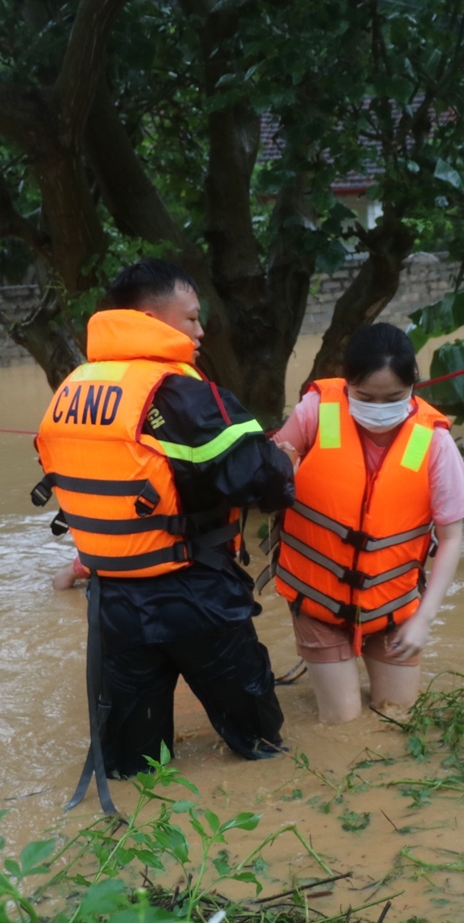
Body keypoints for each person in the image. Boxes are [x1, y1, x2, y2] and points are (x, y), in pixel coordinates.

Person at [33, 259, 294, 793]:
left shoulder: (73, 388)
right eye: (192, 319)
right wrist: (281, 457)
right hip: (195, 592)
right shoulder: (186, 395)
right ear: (151, 317)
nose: (201, 332)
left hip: (111, 603)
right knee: (260, 746)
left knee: (134, 767)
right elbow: (263, 483)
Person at [267, 323, 464, 724]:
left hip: (394, 606)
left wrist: (423, 620)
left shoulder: (433, 441)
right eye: (365, 397)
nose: (378, 408)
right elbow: (269, 477)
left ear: (413, 388)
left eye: (394, 398)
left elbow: (451, 537)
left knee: (397, 716)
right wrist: (274, 468)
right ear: (347, 383)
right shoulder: (314, 412)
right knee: (343, 724)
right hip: (318, 602)